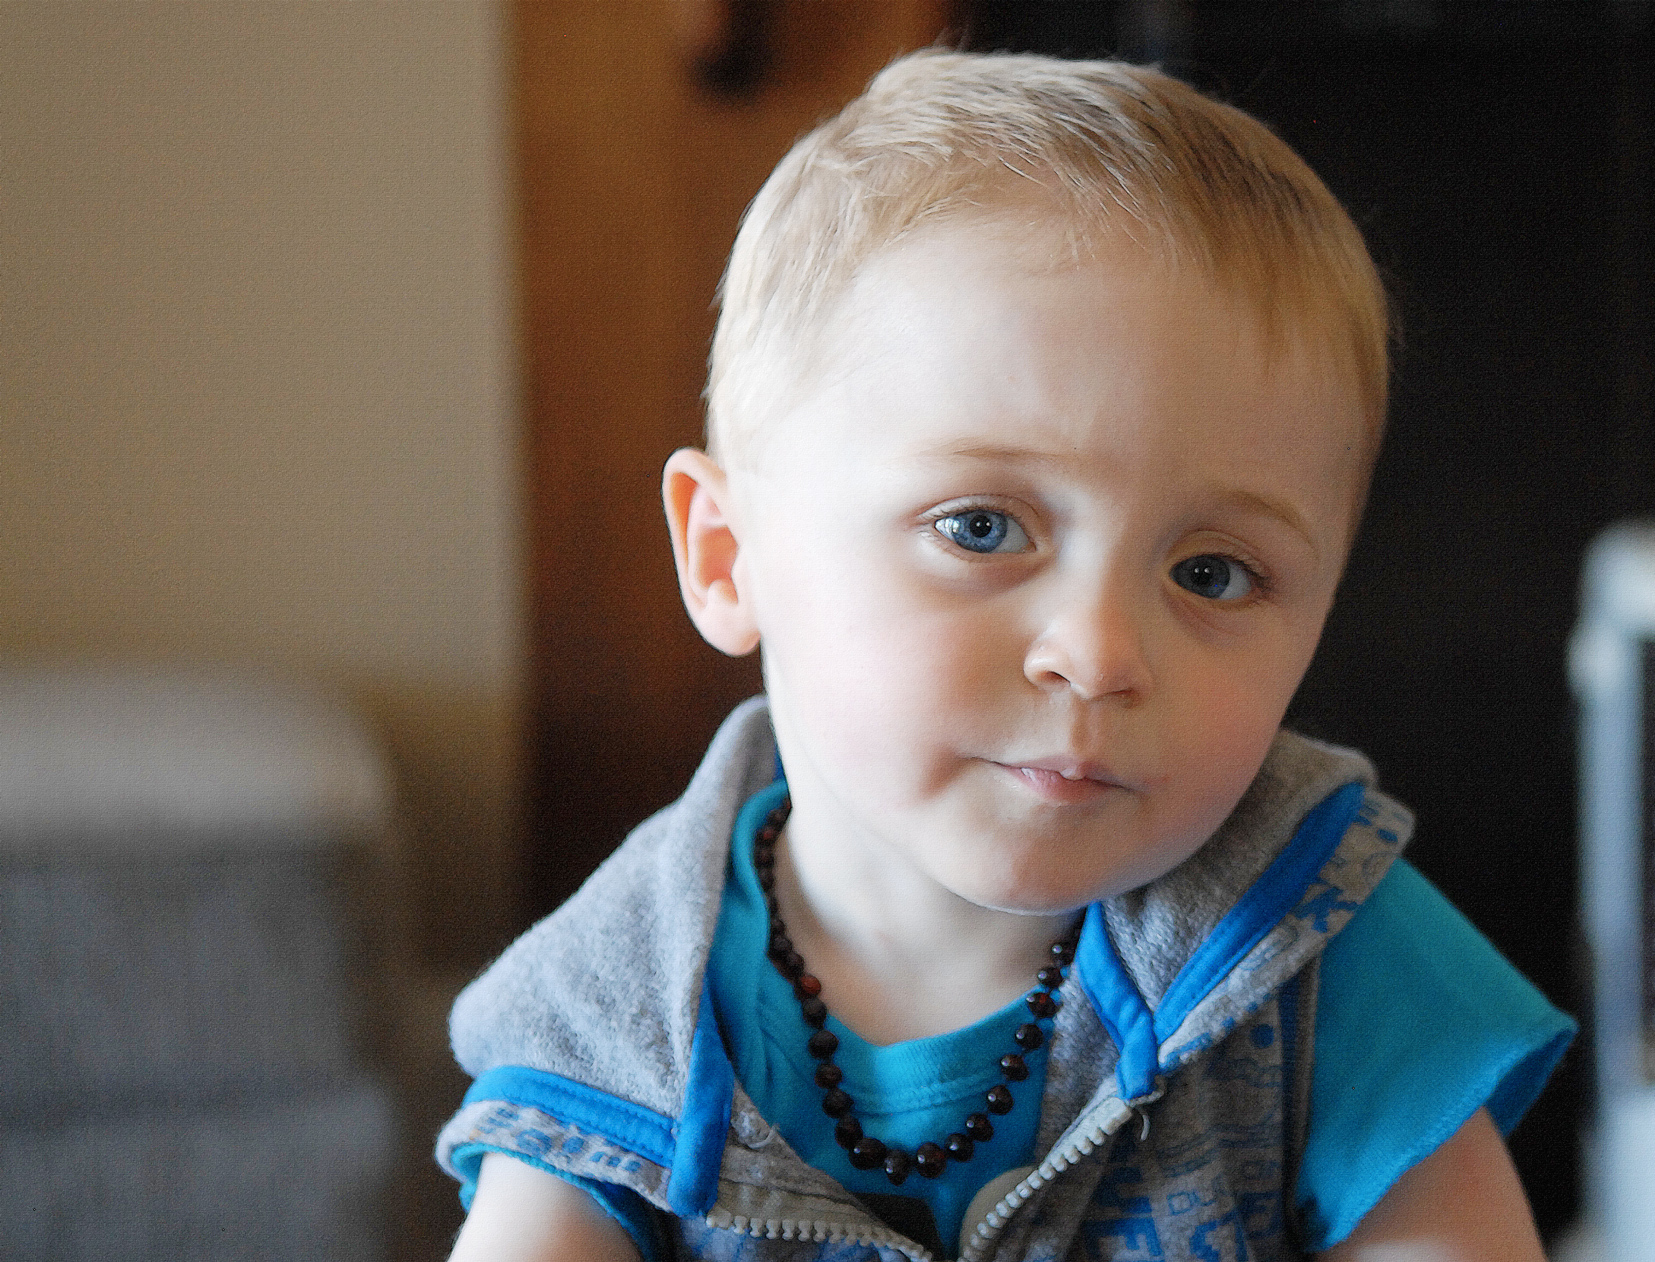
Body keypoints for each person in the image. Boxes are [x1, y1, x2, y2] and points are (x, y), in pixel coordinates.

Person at [438, 50, 1574, 1262]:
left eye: (1211, 572)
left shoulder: (1312, 933)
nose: (1097, 653)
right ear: (729, 556)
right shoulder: (609, 1026)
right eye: (980, 527)